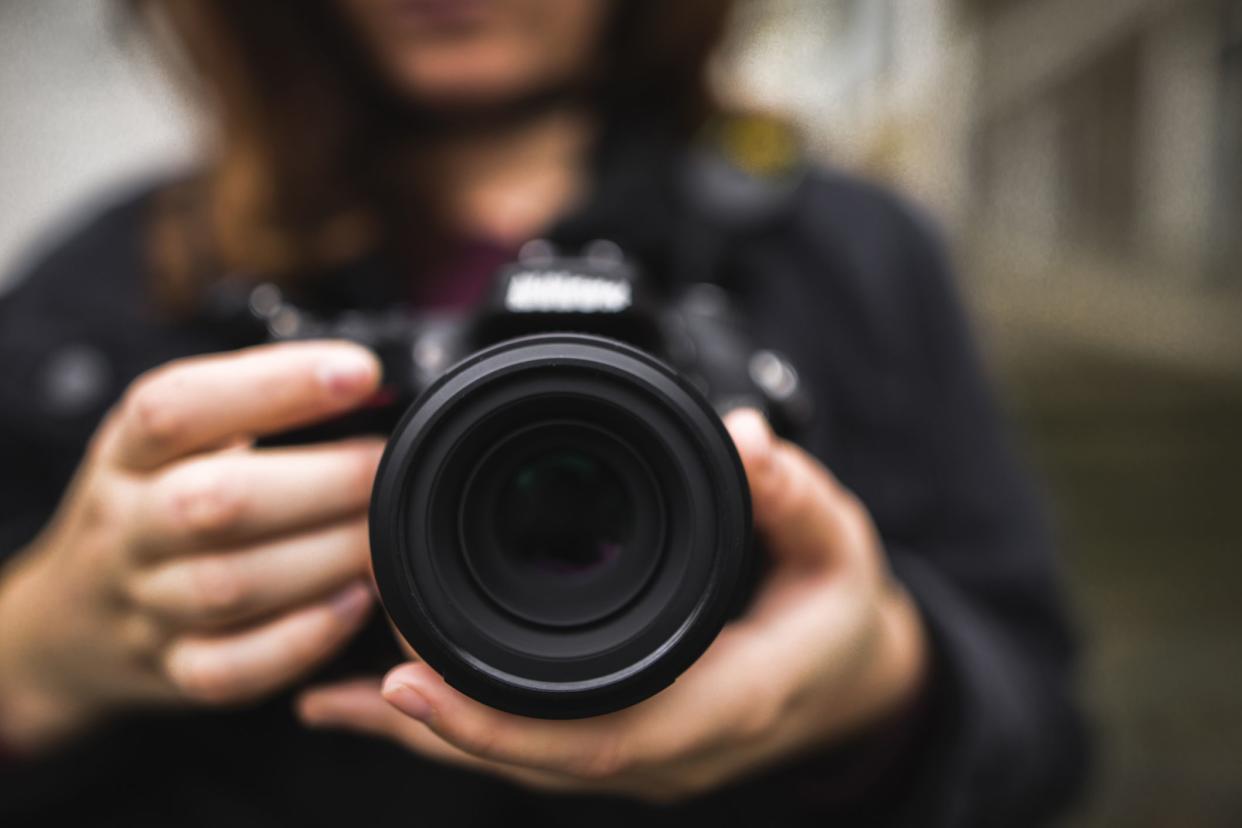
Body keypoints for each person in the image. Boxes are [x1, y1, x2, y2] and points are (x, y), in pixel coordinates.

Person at [0, 1, 1088, 825]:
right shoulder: (112, 287)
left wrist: (886, 684)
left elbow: (1044, 735)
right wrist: (38, 656)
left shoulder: (852, 255)